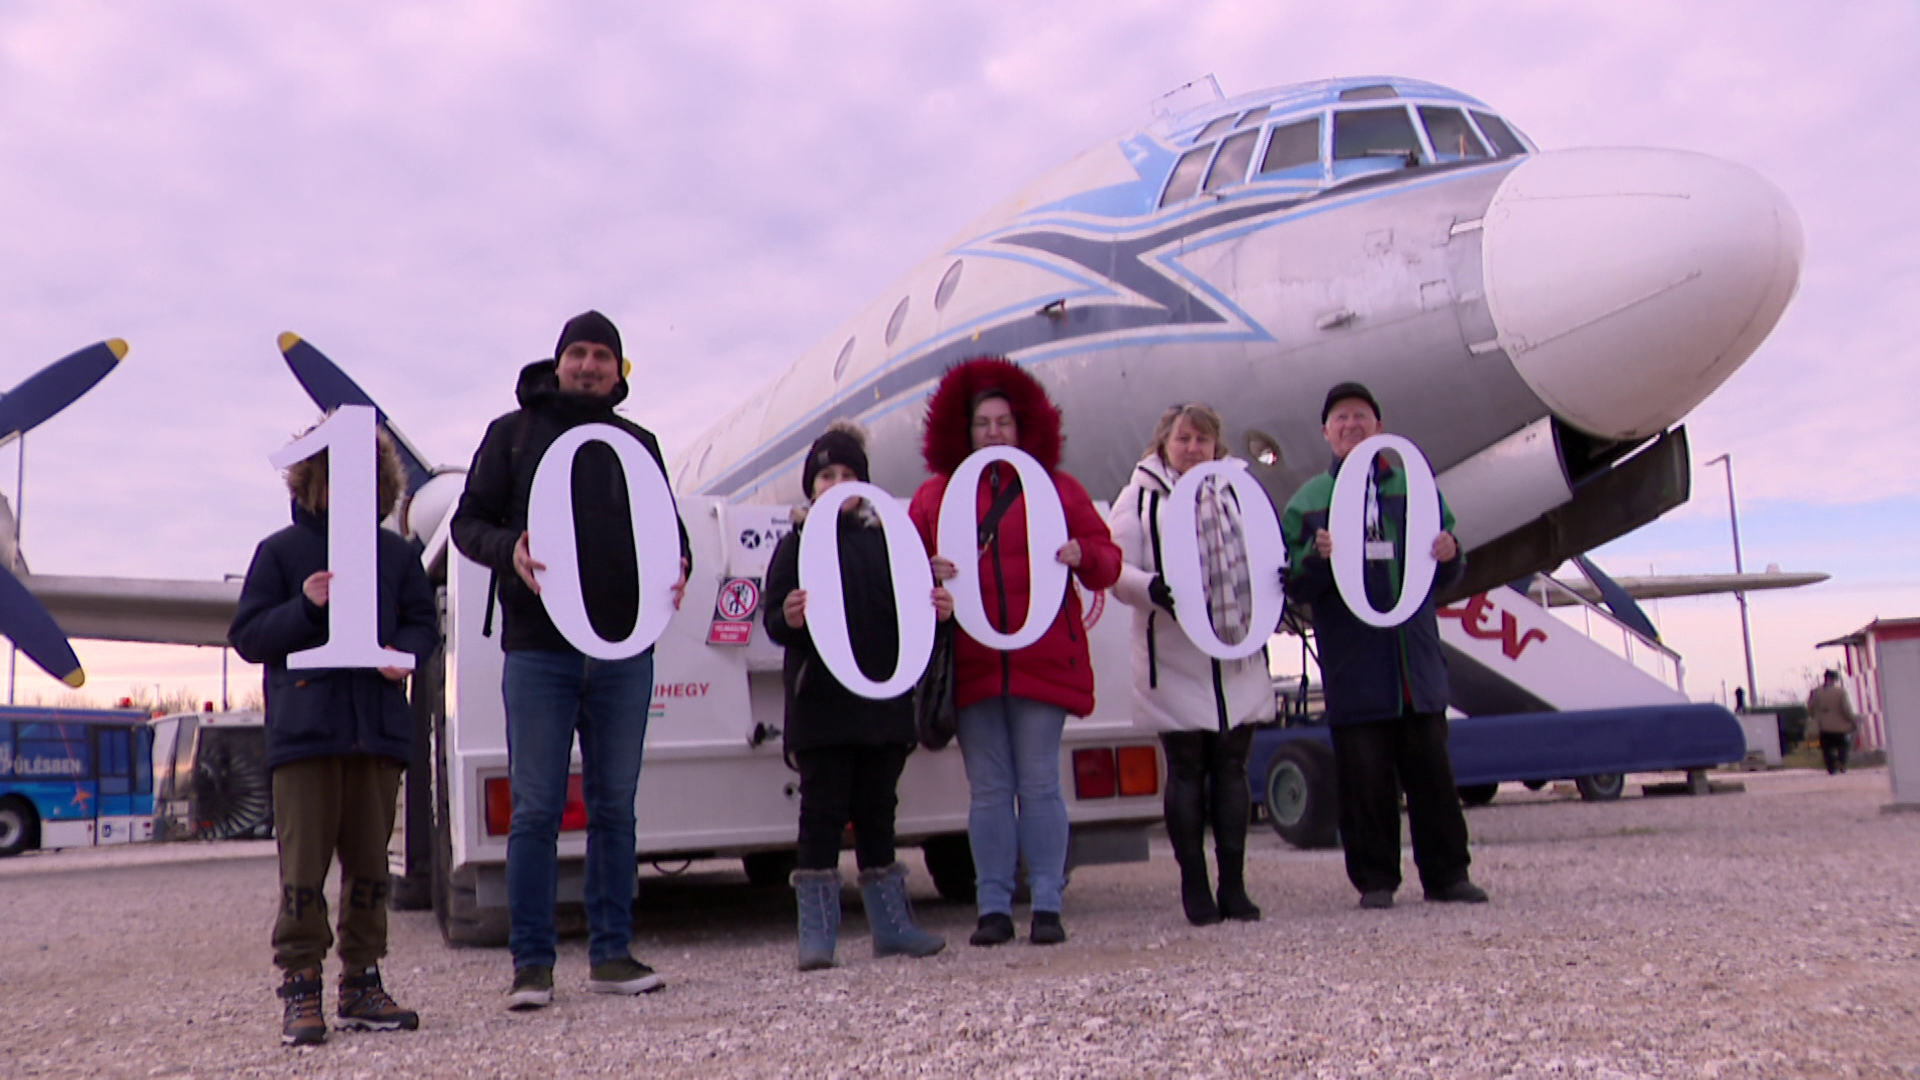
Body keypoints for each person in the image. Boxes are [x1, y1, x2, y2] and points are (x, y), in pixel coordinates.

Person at [450, 310, 691, 1010]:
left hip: (623, 653)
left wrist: (682, 562)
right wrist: (510, 552)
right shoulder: (513, 433)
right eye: (578, 353)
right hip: (540, 653)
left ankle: (613, 954)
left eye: (603, 356)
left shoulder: (639, 443)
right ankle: (532, 964)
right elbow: (469, 523)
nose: (589, 366)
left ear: (620, 372)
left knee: (616, 808)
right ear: (559, 362)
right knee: (536, 811)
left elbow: (669, 533)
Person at [229, 424, 439, 1047]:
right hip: (305, 736)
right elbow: (249, 636)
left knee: (372, 868)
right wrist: (306, 608)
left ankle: (361, 982)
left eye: (366, 475)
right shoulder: (280, 553)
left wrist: (406, 653)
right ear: (313, 478)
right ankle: (300, 988)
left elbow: (424, 625)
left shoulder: (398, 558)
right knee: (303, 872)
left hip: (376, 735)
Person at [907, 357, 1122, 947]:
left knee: (1039, 785)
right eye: (984, 423)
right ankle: (995, 908)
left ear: (1024, 427)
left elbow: (1107, 560)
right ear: (964, 429)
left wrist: (1084, 553)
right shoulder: (935, 497)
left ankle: (1046, 903)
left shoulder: (1057, 490)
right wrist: (926, 571)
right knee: (993, 791)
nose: (994, 432)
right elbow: (906, 575)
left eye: (1004, 421)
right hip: (975, 664)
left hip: (1040, 661)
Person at [1281, 381, 1488, 911]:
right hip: (1356, 668)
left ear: (1380, 426)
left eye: (1361, 416)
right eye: (1340, 418)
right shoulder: (1309, 501)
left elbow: (1448, 569)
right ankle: (1375, 880)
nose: (1351, 425)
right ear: (1326, 432)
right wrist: (1317, 558)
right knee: (1365, 782)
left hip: (1413, 665)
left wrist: (1450, 553)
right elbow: (1294, 585)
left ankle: (1448, 876)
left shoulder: (1416, 488)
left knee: (1434, 779)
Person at [762, 420, 952, 970]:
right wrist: (788, 617)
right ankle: (817, 936)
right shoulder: (795, 545)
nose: (838, 482)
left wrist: (940, 614)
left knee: (878, 812)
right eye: (827, 475)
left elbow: (916, 623)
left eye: (848, 474)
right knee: (820, 816)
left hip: (883, 705)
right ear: (812, 486)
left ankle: (893, 928)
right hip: (822, 706)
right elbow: (773, 618)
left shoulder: (892, 543)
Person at [1108, 403, 1275, 926]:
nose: (1193, 448)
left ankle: (1235, 885)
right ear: (1164, 443)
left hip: (1234, 658)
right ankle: (1194, 886)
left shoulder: (1239, 491)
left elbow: (1267, 552)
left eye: (1203, 439)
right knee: (1186, 772)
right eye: (1184, 439)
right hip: (1173, 658)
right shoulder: (1138, 498)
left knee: (1231, 771)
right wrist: (1150, 588)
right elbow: (1117, 572)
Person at [1808, 670, 1859, 775]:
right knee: (1844, 745)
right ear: (1834, 680)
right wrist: (1853, 720)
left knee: (1827, 748)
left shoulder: (1816, 692)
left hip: (1824, 727)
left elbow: (1811, 708)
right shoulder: (1841, 692)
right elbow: (1846, 709)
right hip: (1840, 727)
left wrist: (1817, 718)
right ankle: (1842, 762)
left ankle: (1831, 767)